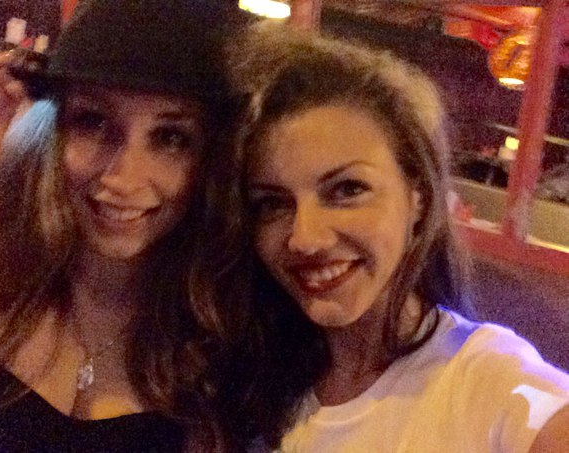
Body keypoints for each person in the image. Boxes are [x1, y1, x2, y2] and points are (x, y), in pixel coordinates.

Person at [0, 1, 293, 450]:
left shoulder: (243, 352)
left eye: (171, 137)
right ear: (54, 131)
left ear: (215, 159)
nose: (122, 177)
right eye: (94, 122)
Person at [229, 26, 569, 452]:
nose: (305, 238)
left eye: (347, 189)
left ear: (419, 198)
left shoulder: (484, 380)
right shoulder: (254, 383)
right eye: (272, 204)